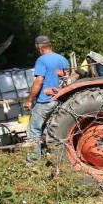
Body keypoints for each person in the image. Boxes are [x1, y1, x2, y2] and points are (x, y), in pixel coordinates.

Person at [24, 35, 69, 164]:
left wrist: (29, 100)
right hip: (58, 100)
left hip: (45, 101)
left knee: (34, 130)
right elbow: (66, 78)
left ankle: (34, 163)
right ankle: (46, 157)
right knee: (46, 130)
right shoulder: (63, 59)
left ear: (39, 47)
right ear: (50, 45)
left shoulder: (42, 60)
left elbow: (39, 80)